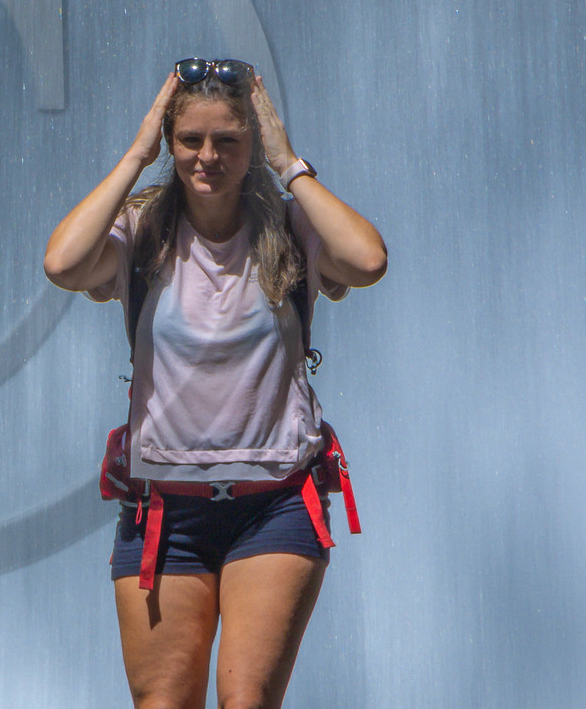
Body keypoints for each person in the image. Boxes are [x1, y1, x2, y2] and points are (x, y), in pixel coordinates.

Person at [43, 59, 387, 709]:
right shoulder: (141, 227)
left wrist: (291, 165)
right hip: (163, 511)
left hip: (275, 502)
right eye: (190, 140)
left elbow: (368, 260)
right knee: (164, 702)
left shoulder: (291, 224)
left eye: (229, 139)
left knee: (245, 698)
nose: (208, 156)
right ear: (170, 144)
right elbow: (62, 262)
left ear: (253, 141)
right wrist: (136, 154)